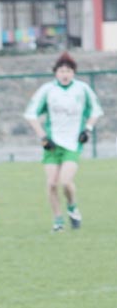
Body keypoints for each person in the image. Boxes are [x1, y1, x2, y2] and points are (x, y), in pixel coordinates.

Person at [24, 51, 104, 232]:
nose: (65, 74)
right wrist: (42, 137)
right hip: (52, 144)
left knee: (65, 181)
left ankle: (73, 208)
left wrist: (88, 129)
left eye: (68, 71)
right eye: (61, 71)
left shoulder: (82, 89)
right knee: (51, 184)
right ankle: (58, 221)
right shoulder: (47, 90)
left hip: (73, 143)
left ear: (73, 72)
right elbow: (31, 114)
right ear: (55, 73)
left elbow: (96, 111)